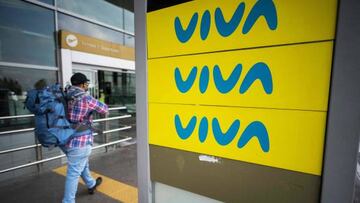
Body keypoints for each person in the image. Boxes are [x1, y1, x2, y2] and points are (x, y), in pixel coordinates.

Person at [61, 72, 109, 203]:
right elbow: (104, 109)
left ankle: (91, 184)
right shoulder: (85, 98)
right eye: (86, 83)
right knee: (73, 173)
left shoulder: (65, 95)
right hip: (80, 141)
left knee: (82, 164)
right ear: (81, 84)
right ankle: (68, 201)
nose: (87, 85)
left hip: (66, 138)